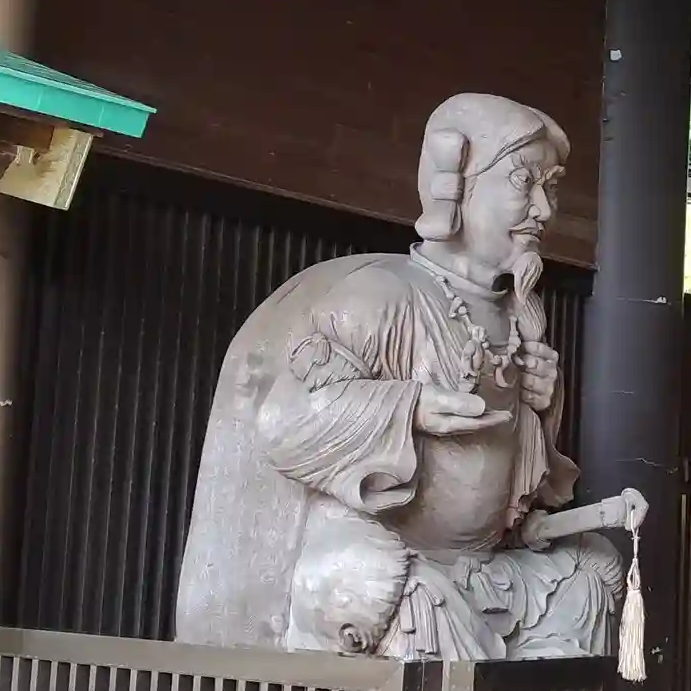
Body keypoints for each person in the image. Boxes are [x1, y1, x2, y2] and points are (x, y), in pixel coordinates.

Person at [176, 92, 642, 660]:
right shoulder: (382, 296)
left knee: (594, 572)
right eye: (524, 181)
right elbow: (285, 423)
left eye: (551, 188)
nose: (543, 209)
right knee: (401, 595)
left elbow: (531, 488)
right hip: (394, 562)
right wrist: (406, 407)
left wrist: (543, 409)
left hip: (483, 564)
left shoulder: (519, 315)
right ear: (458, 184)